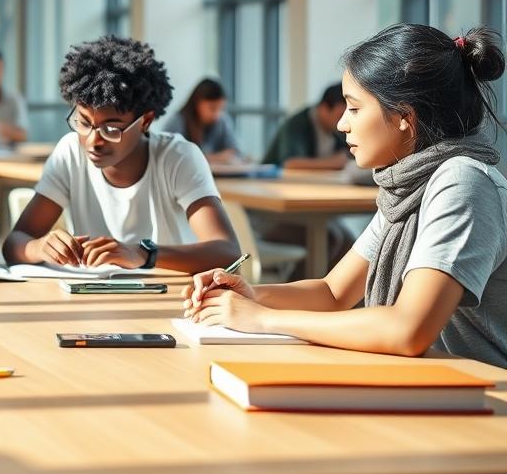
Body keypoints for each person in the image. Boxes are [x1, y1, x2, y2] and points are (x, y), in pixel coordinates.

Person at [185, 25, 507, 367]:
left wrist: (262, 319)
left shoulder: (462, 182)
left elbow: (407, 330)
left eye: (353, 108)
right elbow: (333, 292)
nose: (341, 124)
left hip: (487, 401)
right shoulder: (409, 188)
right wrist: (252, 294)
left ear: (403, 116)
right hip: (435, 388)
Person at [3, 36, 240, 274]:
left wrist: (143, 254)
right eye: (84, 123)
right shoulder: (70, 152)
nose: (94, 141)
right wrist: (39, 247)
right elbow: (14, 244)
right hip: (96, 301)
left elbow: (227, 252)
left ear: (145, 121)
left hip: (174, 298)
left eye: (112, 129)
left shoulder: (178, 158)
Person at [262, 83, 349, 169]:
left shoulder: (335, 127)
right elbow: (290, 163)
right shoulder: (296, 124)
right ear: (324, 108)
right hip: (269, 180)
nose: (343, 121)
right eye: (340, 115)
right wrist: (333, 163)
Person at [161, 78, 243, 164]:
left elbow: (238, 152)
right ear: (197, 102)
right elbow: (168, 155)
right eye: (212, 108)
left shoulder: (221, 120)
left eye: (221, 109)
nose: (217, 115)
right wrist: (215, 157)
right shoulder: (178, 121)